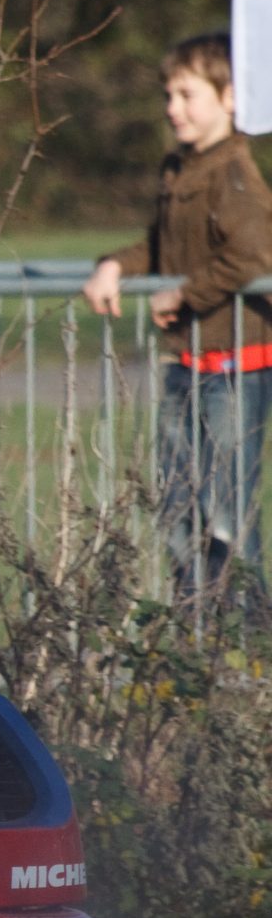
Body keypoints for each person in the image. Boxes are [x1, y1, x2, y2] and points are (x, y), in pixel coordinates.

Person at [84, 31, 272, 605]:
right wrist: (114, 265)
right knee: (178, 504)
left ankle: (249, 645)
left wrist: (184, 296)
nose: (173, 108)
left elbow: (256, 253)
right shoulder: (181, 166)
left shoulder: (233, 172)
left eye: (187, 95)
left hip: (234, 366)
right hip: (185, 363)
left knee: (226, 513)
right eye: (169, 95)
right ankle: (195, 634)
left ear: (230, 97)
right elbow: (161, 247)